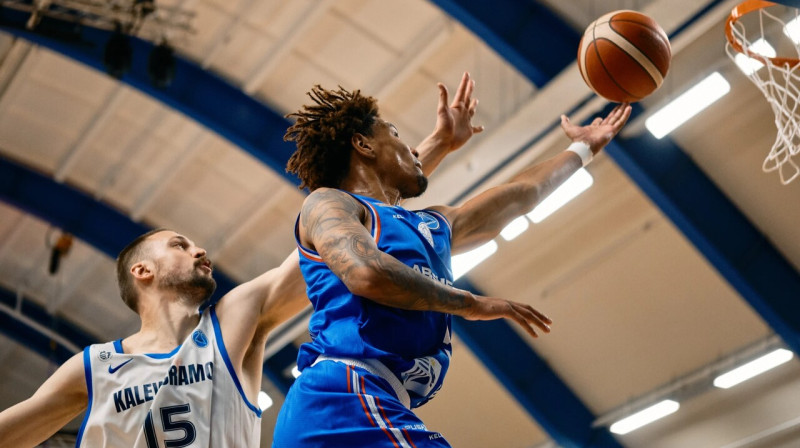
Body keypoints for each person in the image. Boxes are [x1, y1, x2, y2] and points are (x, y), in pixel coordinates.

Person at [0, 72, 484, 448]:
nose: (199, 249)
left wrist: (431, 149)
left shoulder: (237, 319)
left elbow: (358, 222)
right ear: (140, 271)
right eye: (179, 245)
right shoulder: (94, 366)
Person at [273, 82, 631, 446]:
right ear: (363, 145)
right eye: (394, 134)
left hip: (375, 402)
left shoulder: (429, 226)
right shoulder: (327, 204)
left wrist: (583, 147)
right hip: (341, 401)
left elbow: (522, 195)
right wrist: (470, 304)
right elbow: (366, 273)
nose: (413, 149)